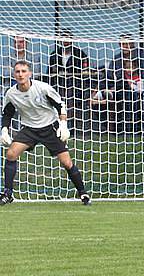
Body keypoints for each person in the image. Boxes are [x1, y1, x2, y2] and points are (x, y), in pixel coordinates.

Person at [0, 60, 91, 205]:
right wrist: (4, 130)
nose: (20, 74)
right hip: (29, 129)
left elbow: (60, 105)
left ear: (29, 73)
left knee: (67, 162)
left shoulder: (42, 88)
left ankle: (83, 193)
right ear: (14, 74)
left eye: (24, 71)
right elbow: (7, 114)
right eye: (17, 71)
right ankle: (8, 193)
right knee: (11, 154)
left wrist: (63, 124)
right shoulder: (11, 94)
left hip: (50, 127)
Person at [48, 29, 90, 133]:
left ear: (72, 40)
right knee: (59, 104)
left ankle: (72, 128)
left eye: (68, 39)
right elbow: (50, 71)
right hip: (59, 84)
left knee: (72, 104)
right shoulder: (55, 54)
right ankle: (58, 126)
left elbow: (85, 70)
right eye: (64, 39)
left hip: (75, 85)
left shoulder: (80, 53)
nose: (66, 41)